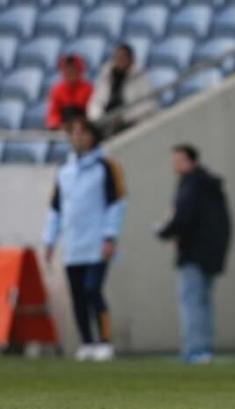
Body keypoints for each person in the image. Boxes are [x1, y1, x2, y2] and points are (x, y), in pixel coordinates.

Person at [43, 118, 126, 361]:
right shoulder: (64, 171)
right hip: (73, 245)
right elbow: (55, 209)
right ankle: (87, 343)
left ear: (93, 136)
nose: (77, 137)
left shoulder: (106, 167)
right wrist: (49, 241)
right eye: (74, 133)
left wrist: (110, 236)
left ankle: (105, 341)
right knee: (77, 295)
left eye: (83, 132)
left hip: (97, 244)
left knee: (93, 290)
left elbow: (116, 204)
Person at [156, 145, 232, 364]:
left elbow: (182, 218)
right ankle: (204, 349)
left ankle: (194, 351)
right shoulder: (210, 185)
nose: (176, 165)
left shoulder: (192, 186)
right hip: (211, 252)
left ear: (192, 161)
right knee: (204, 302)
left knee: (191, 302)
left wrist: (164, 232)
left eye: (180, 160)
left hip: (194, 253)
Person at [87, 43, 157, 136]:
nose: (120, 60)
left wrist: (124, 118)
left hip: (130, 123)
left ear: (131, 59)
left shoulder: (141, 78)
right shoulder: (105, 77)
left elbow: (149, 104)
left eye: (123, 57)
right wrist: (101, 118)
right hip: (106, 121)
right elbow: (95, 102)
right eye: (117, 57)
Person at [46, 55, 94, 130]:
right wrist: (57, 125)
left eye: (73, 70)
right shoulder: (57, 89)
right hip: (63, 126)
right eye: (67, 70)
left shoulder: (88, 88)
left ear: (79, 71)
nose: (70, 73)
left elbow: (92, 112)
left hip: (83, 126)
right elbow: (53, 113)